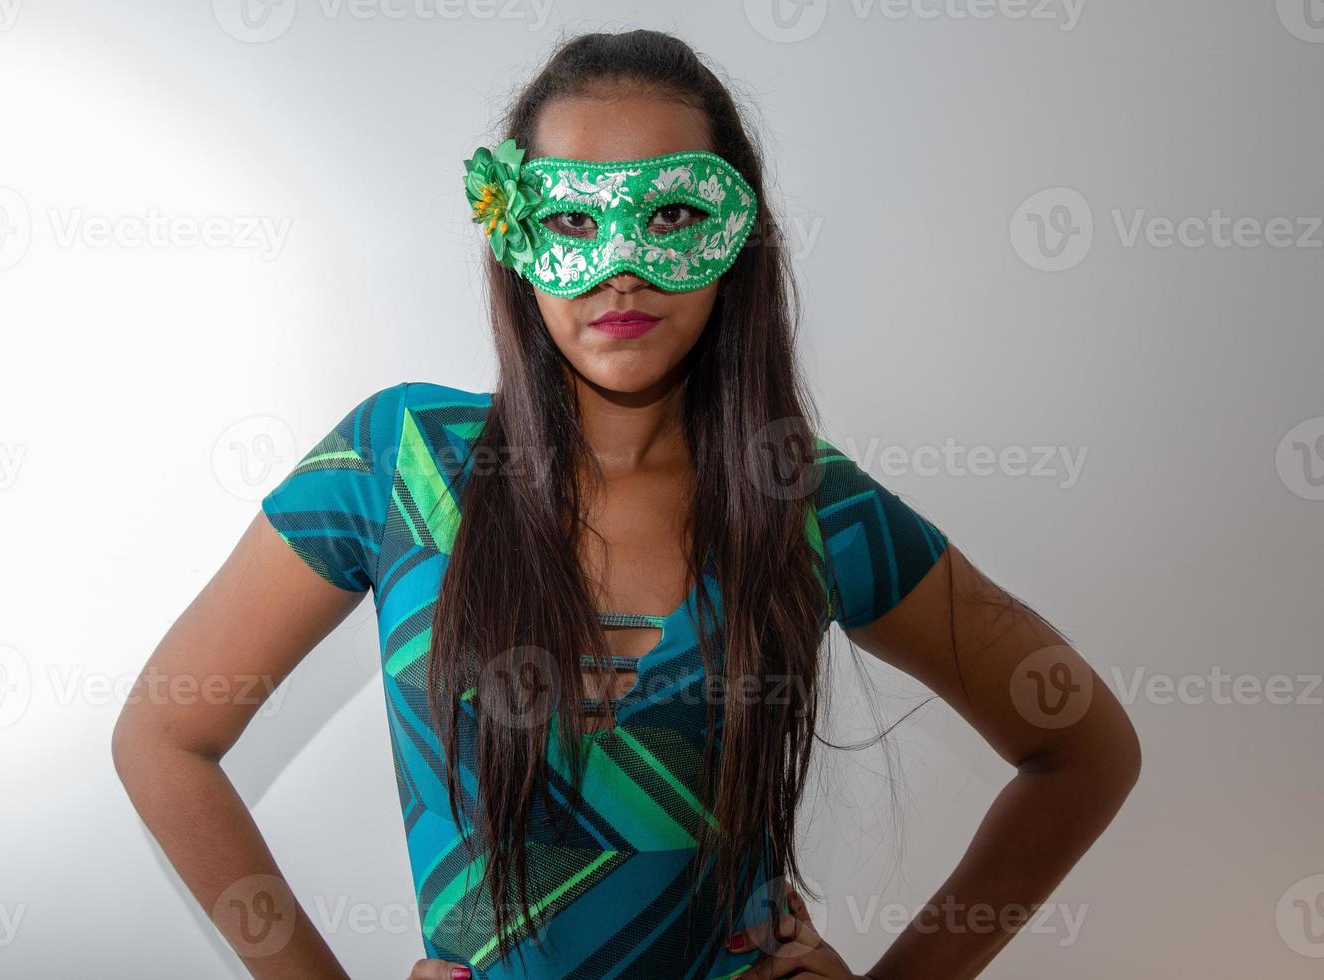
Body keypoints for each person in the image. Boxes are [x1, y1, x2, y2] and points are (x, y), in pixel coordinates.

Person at [112, 29, 1141, 980]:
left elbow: (1083, 747)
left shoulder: (801, 499)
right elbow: (163, 737)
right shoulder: (399, 465)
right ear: (512, 234)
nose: (621, 264)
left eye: (674, 214)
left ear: (737, 236)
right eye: (571, 218)